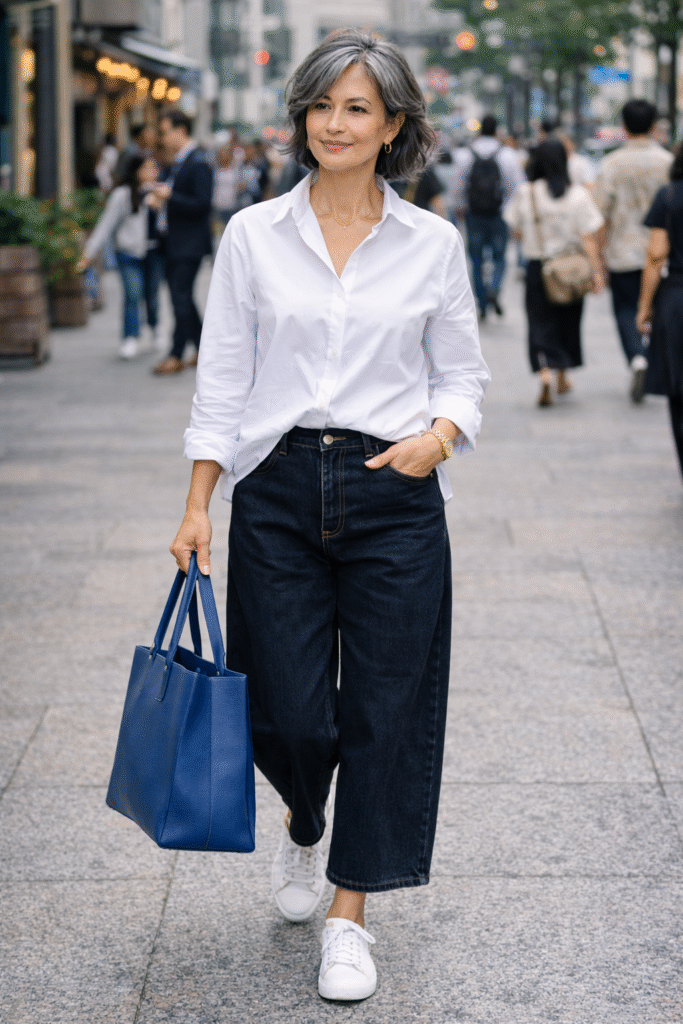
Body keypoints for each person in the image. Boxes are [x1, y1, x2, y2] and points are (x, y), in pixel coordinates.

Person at [170, 27, 489, 1003]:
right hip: (274, 487)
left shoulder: (431, 242)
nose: (334, 123)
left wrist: (437, 439)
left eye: (356, 107)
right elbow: (221, 379)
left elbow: (463, 380)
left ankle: (350, 914)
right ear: (300, 116)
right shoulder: (253, 235)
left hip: (392, 489)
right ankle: (306, 819)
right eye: (320, 105)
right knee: (290, 712)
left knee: (387, 709)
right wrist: (196, 505)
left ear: (392, 123)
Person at [504, 138, 604, 406]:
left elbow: (515, 228)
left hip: (538, 266)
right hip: (571, 268)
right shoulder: (579, 194)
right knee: (568, 321)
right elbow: (588, 239)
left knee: (539, 322)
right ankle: (562, 376)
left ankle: (545, 374)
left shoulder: (528, 192)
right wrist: (597, 273)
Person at [594, 99, 673, 402]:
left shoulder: (612, 164)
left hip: (623, 252)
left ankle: (637, 357)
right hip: (662, 252)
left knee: (626, 310)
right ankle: (652, 359)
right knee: (657, 310)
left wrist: (598, 257)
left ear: (623, 127)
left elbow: (601, 215)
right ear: (654, 126)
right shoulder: (667, 162)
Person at [149, 110, 214, 375]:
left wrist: (169, 196)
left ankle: (177, 354)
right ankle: (202, 350)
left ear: (180, 130)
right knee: (183, 298)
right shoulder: (179, 161)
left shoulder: (197, 161)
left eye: (164, 132)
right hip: (175, 242)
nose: (162, 139)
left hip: (189, 244)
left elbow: (202, 203)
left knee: (180, 298)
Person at [78, 153, 159, 360]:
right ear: (136, 171)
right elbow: (106, 225)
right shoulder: (123, 195)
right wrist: (89, 252)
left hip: (154, 252)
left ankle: (153, 327)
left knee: (151, 295)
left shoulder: (161, 191)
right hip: (128, 253)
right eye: (147, 168)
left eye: (154, 168)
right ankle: (130, 337)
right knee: (132, 294)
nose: (152, 172)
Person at [636, 145, 683, 478]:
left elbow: (656, 254)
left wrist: (644, 306)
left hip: (677, 300)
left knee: (678, 393)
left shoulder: (669, 196)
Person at [453, 114, 525, 319]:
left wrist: (460, 207)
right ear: (496, 131)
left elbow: (458, 185)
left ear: (479, 130)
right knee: (500, 257)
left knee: (475, 259)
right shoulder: (508, 154)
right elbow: (516, 187)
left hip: (474, 214)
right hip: (499, 215)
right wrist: (510, 213)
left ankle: (482, 302)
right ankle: (494, 287)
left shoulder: (466, 154)